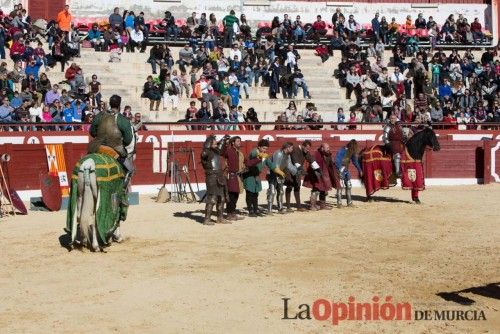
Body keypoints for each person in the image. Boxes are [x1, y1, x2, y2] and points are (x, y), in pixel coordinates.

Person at [88, 95, 135, 222]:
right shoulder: (122, 120)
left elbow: (92, 131)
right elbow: (129, 140)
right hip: (113, 152)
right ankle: (122, 197)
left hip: (96, 149)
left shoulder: (99, 116)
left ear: (109, 103)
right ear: (119, 105)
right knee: (130, 169)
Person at [242, 139, 283, 217]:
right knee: (250, 193)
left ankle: (255, 209)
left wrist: (278, 171)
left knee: (256, 194)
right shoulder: (254, 151)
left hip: (257, 176)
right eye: (263, 148)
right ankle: (250, 210)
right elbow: (253, 156)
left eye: (266, 149)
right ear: (259, 147)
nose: (265, 150)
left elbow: (271, 165)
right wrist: (259, 156)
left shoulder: (264, 155)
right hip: (249, 175)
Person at [200, 134, 231, 225]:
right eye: (214, 143)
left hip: (220, 176)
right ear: (209, 144)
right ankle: (207, 219)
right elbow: (204, 154)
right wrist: (208, 144)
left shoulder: (216, 151)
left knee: (221, 198)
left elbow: (220, 149)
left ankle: (220, 218)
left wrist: (224, 140)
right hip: (211, 177)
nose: (216, 145)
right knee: (212, 199)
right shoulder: (207, 152)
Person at [303, 143, 338, 210]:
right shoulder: (316, 154)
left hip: (324, 174)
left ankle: (322, 205)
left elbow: (330, 164)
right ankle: (312, 206)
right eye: (327, 148)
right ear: (322, 148)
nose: (328, 149)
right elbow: (312, 164)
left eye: (328, 148)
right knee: (316, 189)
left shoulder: (328, 154)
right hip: (316, 174)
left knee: (324, 189)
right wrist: (317, 175)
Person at [284, 140, 315, 212]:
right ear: (303, 146)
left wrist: (317, 168)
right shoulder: (295, 149)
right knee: (289, 187)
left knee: (297, 187)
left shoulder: (305, 152)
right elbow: (295, 161)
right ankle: (288, 206)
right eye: (307, 148)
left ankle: (298, 206)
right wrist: (302, 170)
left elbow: (311, 159)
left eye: (308, 148)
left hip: (297, 171)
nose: (308, 150)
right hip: (289, 170)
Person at [266, 142, 296, 214]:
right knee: (272, 192)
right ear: (287, 147)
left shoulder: (287, 155)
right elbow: (275, 167)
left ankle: (280, 208)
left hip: (280, 174)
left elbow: (289, 165)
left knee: (281, 192)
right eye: (291, 148)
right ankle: (269, 210)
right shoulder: (278, 153)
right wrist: (280, 173)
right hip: (272, 174)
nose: (292, 149)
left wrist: (296, 171)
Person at [221, 136, 246, 221]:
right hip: (230, 176)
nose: (240, 142)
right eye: (238, 141)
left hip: (237, 176)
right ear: (233, 142)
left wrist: (258, 159)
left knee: (235, 196)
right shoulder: (229, 150)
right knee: (231, 196)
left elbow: (247, 162)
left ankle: (233, 213)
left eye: (240, 141)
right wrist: (224, 142)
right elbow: (222, 153)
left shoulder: (239, 152)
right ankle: (229, 214)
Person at [334, 139, 363, 208]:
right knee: (340, 186)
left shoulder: (351, 151)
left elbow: (355, 161)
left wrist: (360, 170)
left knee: (349, 185)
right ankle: (339, 203)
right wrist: (340, 171)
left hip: (346, 170)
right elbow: (337, 161)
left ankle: (349, 203)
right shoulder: (342, 150)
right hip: (340, 170)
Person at [383, 113, 404, 178]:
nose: (393, 120)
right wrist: (388, 145)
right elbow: (385, 138)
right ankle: (397, 172)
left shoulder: (399, 126)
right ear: (389, 119)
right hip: (392, 144)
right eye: (391, 118)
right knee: (397, 154)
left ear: (396, 119)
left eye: (394, 118)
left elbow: (402, 134)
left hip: (399, 143)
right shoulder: (387, 127)